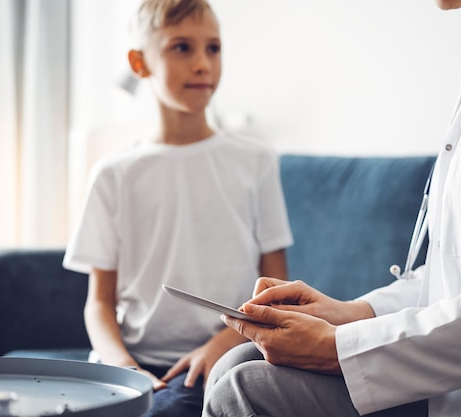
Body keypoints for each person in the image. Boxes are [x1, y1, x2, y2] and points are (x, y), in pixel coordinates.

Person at [201, 0, 461, 416]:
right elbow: (456, 274)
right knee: (235, 363)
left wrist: (334, 348)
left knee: (244, 389)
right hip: (456, 380)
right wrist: (350, 314)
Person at [63, 1, 293, 416]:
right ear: (139, 62)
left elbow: (275, 287)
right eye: (182, 48)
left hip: (226, 354)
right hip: (131, 362)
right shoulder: (113, 174)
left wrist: (221, 344)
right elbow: (99, 302)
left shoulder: (256, 162)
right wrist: (121, 364)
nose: (203, 64)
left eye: (214, 48)